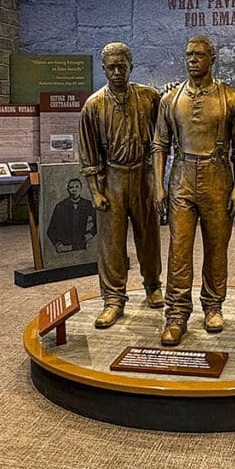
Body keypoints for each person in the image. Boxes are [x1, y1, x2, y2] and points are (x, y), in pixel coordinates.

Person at [152, 35, 235, 346]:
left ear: (212, 59)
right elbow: (159, 145)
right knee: (179, 249)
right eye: (188, 54)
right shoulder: (170, 100)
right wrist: (158, 186)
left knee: (217, 246)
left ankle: (213, 306)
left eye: (199, 55)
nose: (192, 59)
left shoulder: (233, 99)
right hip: (181, 177)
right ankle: (177, 314)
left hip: (218, 174)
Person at [78, 42, 164, 328]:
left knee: (148, 235)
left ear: (131, 66)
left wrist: (158, 182)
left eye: (122, 66)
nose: (117, 72)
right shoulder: (94, 105)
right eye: (111, 67)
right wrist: (95, 191)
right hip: (111, 178)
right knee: (112, 243)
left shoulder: (150, 98)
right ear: (103, 69)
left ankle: (153, 285)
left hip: (142, 175)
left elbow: (161, 141)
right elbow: (88, 153)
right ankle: (113, 299)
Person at [45, 178, 96, 253]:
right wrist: (57, 244)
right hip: (65, 246)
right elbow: (51, 229)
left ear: (81, 188)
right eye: (71, 187)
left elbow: (99, 223)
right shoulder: (60, 206)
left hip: (82, 246)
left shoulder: (88, 204)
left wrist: (90, 234)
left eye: (77, 187)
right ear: (68, 189)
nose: (74, 190)